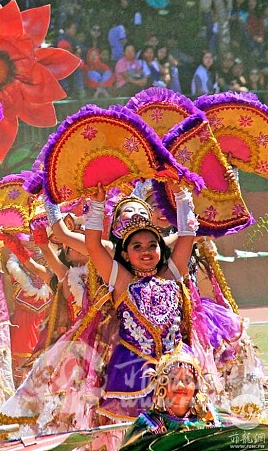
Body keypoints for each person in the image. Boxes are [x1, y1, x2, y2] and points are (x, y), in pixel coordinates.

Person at [85, 183, 198, 421]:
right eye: (137, 247)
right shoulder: (121, 280)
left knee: (182, 428)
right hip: (133, 368)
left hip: (176, 365)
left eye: (152, 245)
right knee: (139, 432)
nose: (146, 251)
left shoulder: (171, 274)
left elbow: (188, 236)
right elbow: (93, 245)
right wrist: (97, 205)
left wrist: (181, 194)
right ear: (125, 255)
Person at [122, 349, 222, 446]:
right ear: (162, 385)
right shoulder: (147, 425)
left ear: (196, 386)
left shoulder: (212, 418)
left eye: (187, 380)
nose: (180, 385)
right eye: (173, 379)